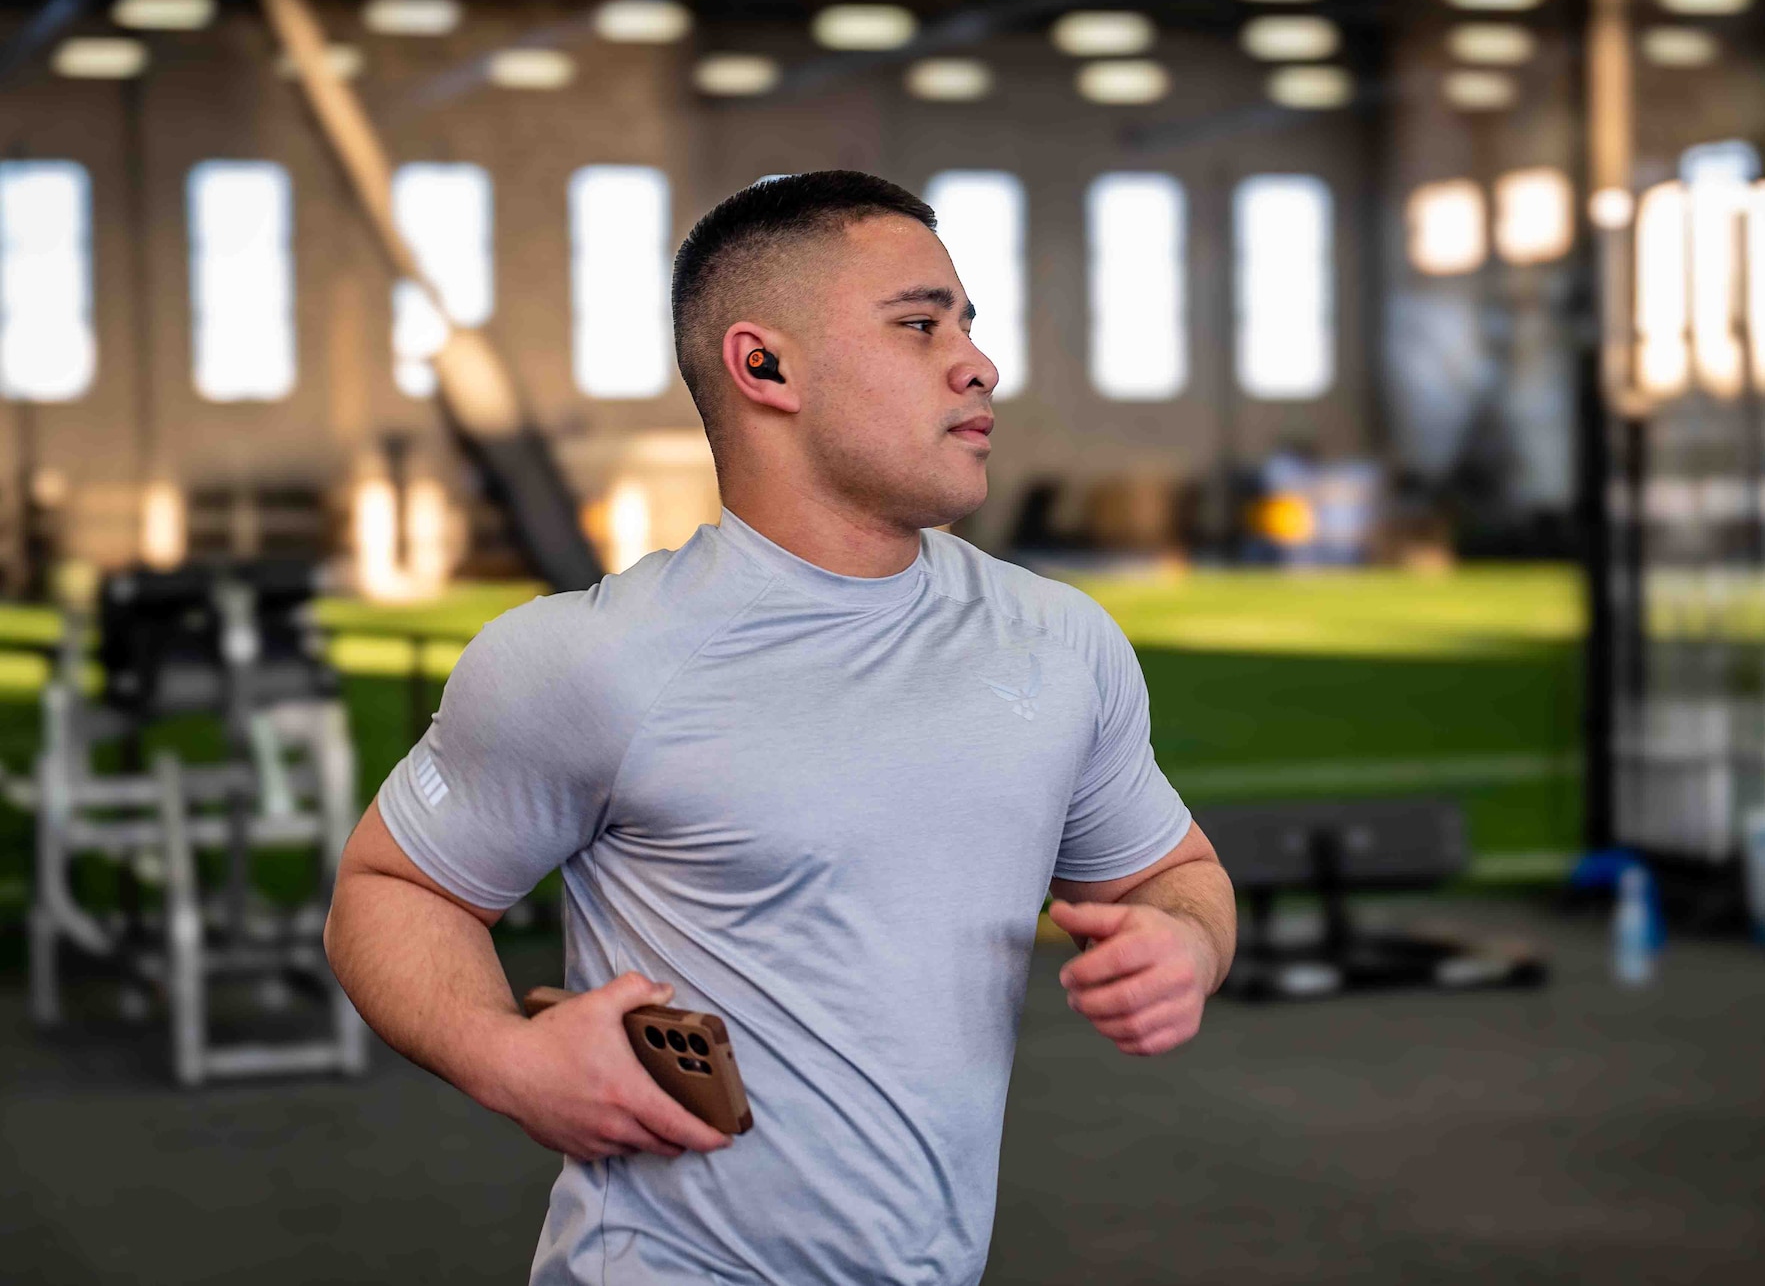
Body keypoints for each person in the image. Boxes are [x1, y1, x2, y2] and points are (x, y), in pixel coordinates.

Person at [325, 170, 1236, 1285]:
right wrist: (504, 1057)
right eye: (917, 325)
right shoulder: (594, 659)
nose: (978, 364)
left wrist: (1184, 942)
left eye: (966, 324)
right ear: (763, 366)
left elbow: (1173, 872)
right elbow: (392, 887)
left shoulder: (1056, 640)